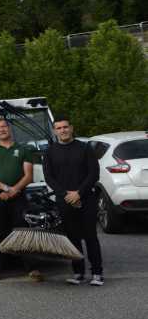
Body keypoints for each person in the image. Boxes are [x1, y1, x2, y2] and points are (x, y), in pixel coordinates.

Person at [44, 115, 103, 286]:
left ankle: (97, 273)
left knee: (91, 237)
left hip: (86, 199)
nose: (63, 130)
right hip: (64, 200)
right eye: (59, 128)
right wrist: (65, 194)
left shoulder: (85, 148)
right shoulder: (50, 152)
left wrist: (79, 193)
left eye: (65, 127)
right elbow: (49, 177)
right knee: (72, 238)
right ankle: (78, 273)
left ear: (71, 128)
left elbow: (94, 173)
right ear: (55, 131)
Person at [0, 118, 43, 282]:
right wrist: (5, 189)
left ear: (9, 129)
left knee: (23, 231)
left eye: (4, 126)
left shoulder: (23, 150)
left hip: (19, 197)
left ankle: (32, 268)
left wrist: (14, 190)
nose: (2, 129)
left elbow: (28, 176)